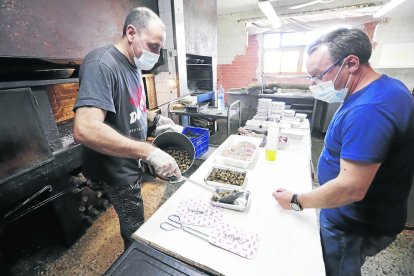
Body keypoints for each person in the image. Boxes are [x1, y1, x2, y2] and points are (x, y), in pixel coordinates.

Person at [272, 28, 414, 276]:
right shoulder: (387, 87)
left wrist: (296, 201)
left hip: (352, 223)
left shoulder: (370, 109)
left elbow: (351, 188)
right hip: (377, 213)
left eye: (319, 75)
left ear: (350, 63)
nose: (314, 84)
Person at [73, 7, 182, 248]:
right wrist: (148, 152)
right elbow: (85, 129)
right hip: (116, 167)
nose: (156, 54)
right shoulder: (101, 63)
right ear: (131, 32)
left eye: (159, 48)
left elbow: (128, 107)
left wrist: (154, 119)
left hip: (130, 162)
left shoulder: (133, 64)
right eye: (153, 46)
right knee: (135, 227)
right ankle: (134, 263)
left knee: (135, 221)